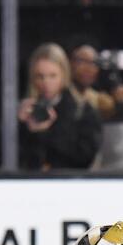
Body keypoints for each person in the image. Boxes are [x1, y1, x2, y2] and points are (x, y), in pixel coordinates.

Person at [19, 43, 102, 171]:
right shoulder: (25, 110)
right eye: (40, 76)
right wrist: (19, 124)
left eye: (52, 76)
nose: (46, 83)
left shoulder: (82, 111)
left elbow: (85, 157)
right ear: (32, 78)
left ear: (64, 75)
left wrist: (45, 134)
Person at [70, 43, 123, 121]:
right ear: (71, 63)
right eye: (82, 61)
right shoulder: (61, 92)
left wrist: (120, 101)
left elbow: (122, 112)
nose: (89, 68)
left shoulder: (97, 98)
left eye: (94, 63)